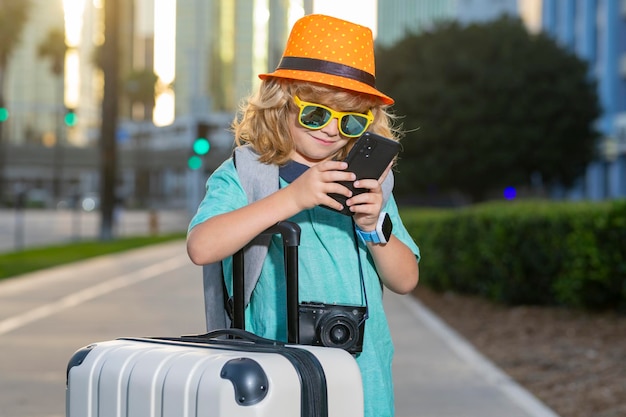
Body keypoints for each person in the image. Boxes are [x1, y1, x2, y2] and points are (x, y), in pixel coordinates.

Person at [187, 14, 420, 417]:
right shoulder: (248, 173)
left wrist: (373, 226)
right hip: (276, 377)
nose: (331, 130)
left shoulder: (369, 184)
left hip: (363, 379)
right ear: (281, 104)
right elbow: (201, 246)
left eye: (350, 120)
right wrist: (293, 198)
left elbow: (405, 279)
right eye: (316, 114)